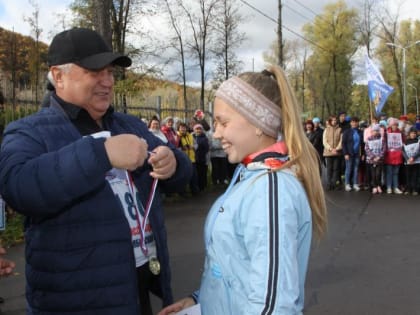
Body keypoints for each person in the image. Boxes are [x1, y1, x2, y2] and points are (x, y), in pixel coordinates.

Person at [0, 28, 192, 315]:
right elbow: (18, 186)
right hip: (74, 302)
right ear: (59, 75)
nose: (107, 82)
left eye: (110, 72)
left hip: (136, 292)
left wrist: (173, 164)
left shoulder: (129, 125)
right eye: (94, 71)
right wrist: (101, 154)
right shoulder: (28, 131)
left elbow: (183, 174)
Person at [158, 66, 327, 315]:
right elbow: (234, 266)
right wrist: (199, 299)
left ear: (259, 123)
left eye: (223, 122)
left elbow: (273, 305)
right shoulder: (250, 173)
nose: (216, 133)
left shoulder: (271, 189)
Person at [342, 117, 364, 192]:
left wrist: (363, 154)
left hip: (357, 153)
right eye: (353, 122)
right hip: (349, 153)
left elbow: (362, 144)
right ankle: (347, 184)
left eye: (356, 122)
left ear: (358, 123)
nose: (354, 123)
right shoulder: (347, 132)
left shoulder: (360, 132)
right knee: (348, 168)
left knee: (356, 169)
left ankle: (355, 184)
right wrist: (345, 153)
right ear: (350, 123)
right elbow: (343, 143)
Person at [384, 117, 404, 194]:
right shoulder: (387, 133)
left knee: (396, 173)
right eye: (393, 125)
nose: (394, 126)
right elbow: (383, 143)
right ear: (390, 126)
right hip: (389, 155)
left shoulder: (400, 133)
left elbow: (403, 143)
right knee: (389, 172)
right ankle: (389, 187)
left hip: (398, 155)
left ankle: (395, 187)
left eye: (396, 125)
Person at [323, 115, 343, 190]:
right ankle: (329, 184)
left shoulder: (340, 129)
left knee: (336, 169)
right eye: (332, 120)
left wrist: (337, 149)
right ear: (330, 121)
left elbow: (341, 140)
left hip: (337, 152)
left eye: (335, 120)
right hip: (328, 152)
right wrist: (331, 149)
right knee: (329, 169)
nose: (334, 121)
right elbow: (324, 141)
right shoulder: (326, 130)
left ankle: (335, 183)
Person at [365, 124, 386, 194]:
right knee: (373, 174)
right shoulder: (368, 139)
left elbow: (384, 149)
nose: (375, 132)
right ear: (372, 131)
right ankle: (374, 186)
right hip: (371, 160)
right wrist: (373, 157)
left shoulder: (382, 139)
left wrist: (379, 157)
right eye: (374, 131)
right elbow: (367, 149)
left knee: (378, 174)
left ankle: (378, 186)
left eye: (377, 131)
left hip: (379, 160)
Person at [402, 127, 420, 195]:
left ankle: (415, 189)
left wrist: (413, 158)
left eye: (414, 133)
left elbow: (419, 152)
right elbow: (403, 151)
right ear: (409, 134)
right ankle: (408, 189)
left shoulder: (418, 141)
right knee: (408, 175)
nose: (413, 134)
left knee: (415, 175)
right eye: (412, 133)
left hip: (416, 161)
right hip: (408, 162)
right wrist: (407, 159)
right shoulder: (406, 142)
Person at [192, 124, 209, 191]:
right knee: (196, 174)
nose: (198, 130)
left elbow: (207, 148)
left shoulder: (204, 137)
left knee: (202, 173)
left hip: (202, 157)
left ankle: (203, 186)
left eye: (199, 129)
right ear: (194, 130)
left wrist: (201, 151)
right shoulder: (192, 136)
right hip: (194, 158)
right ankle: (196, 187)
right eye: (197, 129)